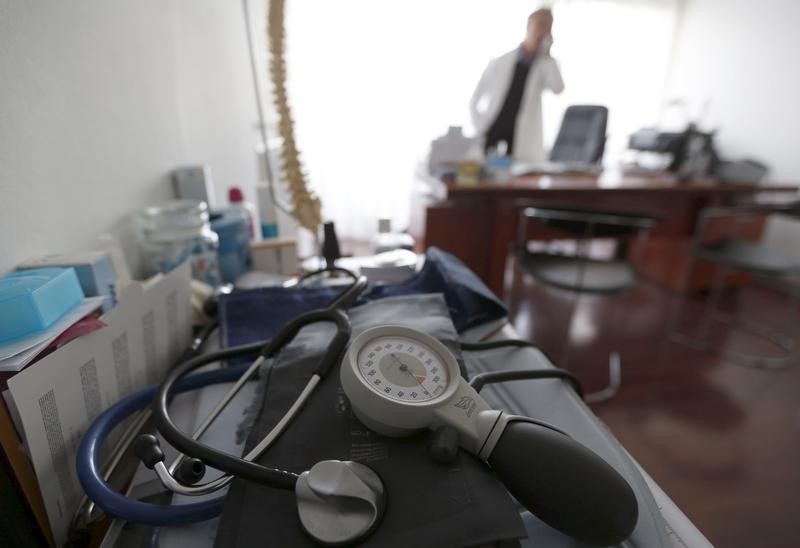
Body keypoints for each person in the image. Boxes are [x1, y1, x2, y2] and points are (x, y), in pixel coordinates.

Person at [469, 8, 565, 163]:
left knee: (514, 183)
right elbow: (474, 100)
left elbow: (558, 88)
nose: (544, 31)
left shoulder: (545, 64)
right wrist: (481, 126)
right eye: (540, 25)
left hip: (521, 141)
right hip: (492, 132)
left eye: (548, 27)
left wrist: (547, 55)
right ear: (529, 26)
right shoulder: (500, 62)